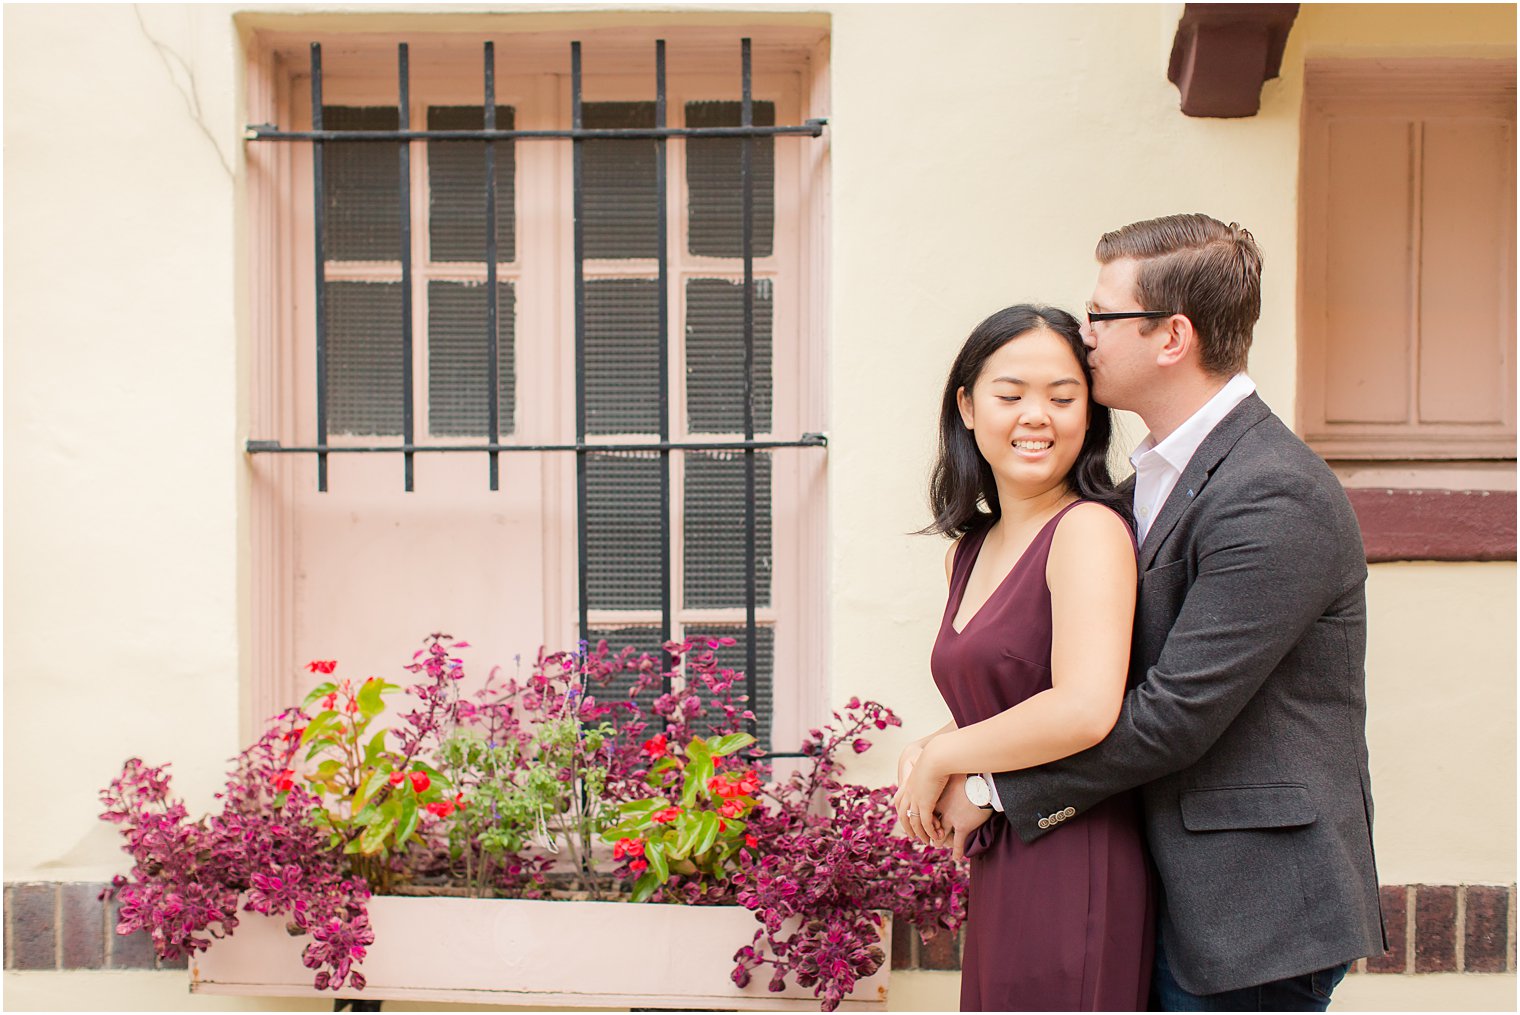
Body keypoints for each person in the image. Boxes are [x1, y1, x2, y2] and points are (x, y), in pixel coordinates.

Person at [931, 214, 1385, 1011]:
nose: (1085, 332)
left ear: (1171, 336)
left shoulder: (1274, 489)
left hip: (1251, 906)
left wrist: (993, 783)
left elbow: (1175, 712)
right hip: (1158, 878)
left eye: (1102, 314)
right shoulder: (1148, 480)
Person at [895, 304, 1154, 1011]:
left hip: (1078, 852)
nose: (1035, 416)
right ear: (968, 406)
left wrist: (950, 761)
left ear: (1090, 416)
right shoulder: (967, 550)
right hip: (1004, 851)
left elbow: (1084, 704)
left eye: (1063, 398)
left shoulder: (1089, 531)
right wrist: (932, 743)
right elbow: (1009, 695)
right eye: (1011, 395)